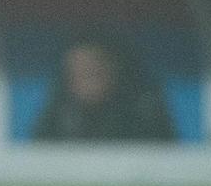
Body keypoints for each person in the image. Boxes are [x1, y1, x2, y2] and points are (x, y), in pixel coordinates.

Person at [31, 39, 178, 143]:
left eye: (91, 72)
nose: (85, 81)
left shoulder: (143, 114)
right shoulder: (57, 118)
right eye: (76, 73)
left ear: (112, 71)